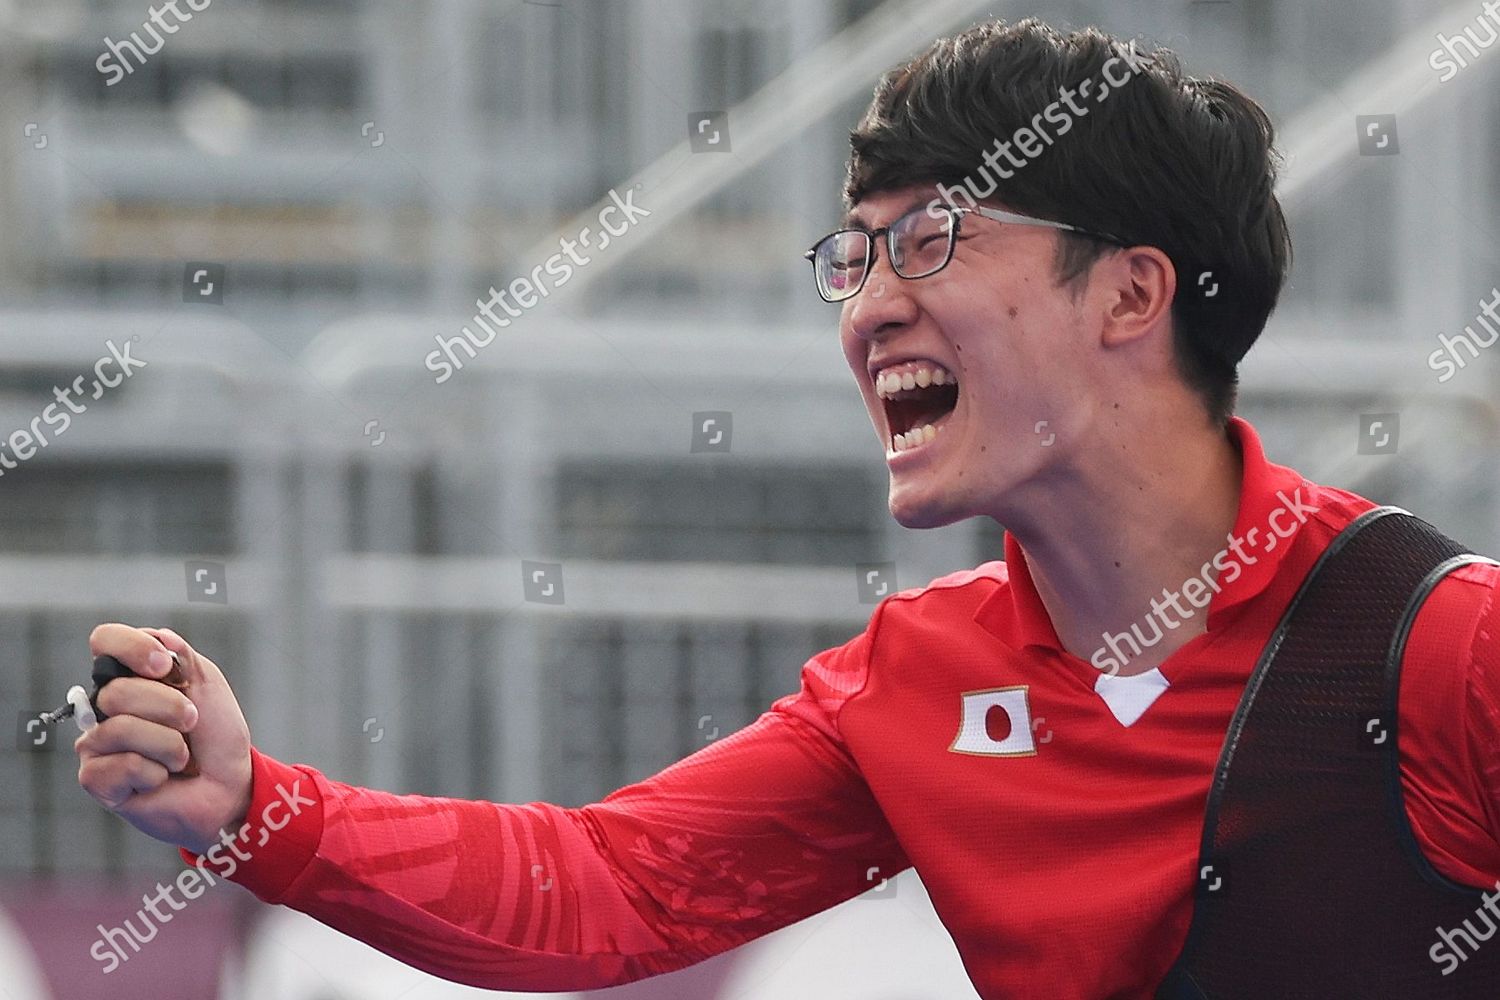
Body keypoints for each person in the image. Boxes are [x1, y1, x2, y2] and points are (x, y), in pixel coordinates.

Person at [73, 18, 1499, 999]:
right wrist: (255, 807)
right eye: (852, 259)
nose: (868, 310)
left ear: (1132, 292)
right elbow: (604, 890)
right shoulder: (914, 681)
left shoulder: (1445, 648)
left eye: (928, 242)